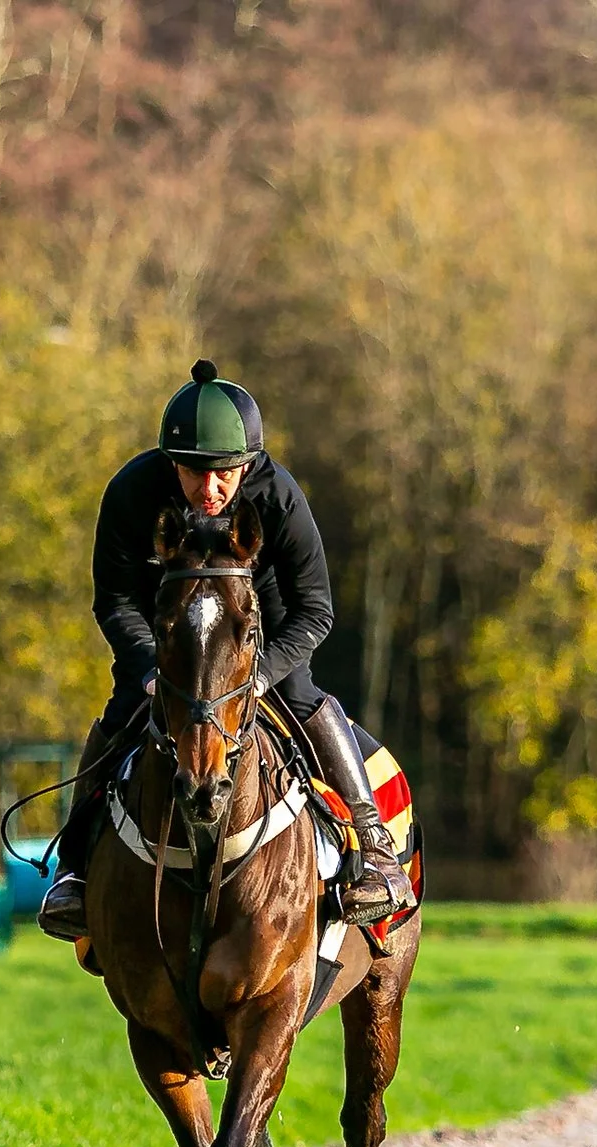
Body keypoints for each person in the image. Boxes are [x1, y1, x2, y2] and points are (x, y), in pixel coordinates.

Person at [37, 360, 416, 942]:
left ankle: (374, 846)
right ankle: (74, 872)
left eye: (225, 474)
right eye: (192, 472)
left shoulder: (281, 499)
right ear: (171, 463)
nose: (209, 490)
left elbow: (317, 609)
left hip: (257, 627)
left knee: (301, 694)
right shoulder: (131, 493)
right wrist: (146, 671)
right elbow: (114, 601)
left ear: (249, 464)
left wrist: (261, 674)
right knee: (122, 710)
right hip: (168, 633)